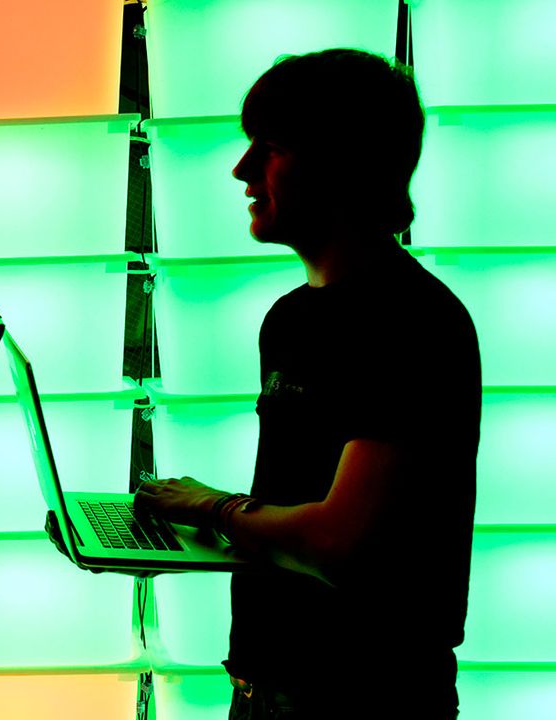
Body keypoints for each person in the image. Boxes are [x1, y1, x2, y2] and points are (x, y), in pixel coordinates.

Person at [81, 50, 479, 718]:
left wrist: (211, 509)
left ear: (340, 163)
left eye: (269, 149)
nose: (242, 171)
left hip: (366, 701)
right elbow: (301, 515)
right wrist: (189, 527)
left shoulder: (413, 324)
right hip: (265, 690)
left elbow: (338, 546)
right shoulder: (289, 320)